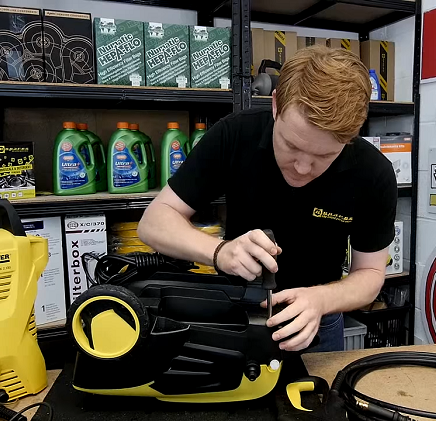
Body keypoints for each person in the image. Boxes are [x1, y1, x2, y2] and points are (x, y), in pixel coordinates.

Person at [138, 45, 397, 353]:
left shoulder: (374, 172)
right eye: (291, 145)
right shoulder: (234, 135)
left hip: (318, 318)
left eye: (324, 156)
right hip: (236, 312)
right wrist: (220, 251)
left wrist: (321, 300)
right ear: (276, 105)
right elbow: (154, 222)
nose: (302, 168)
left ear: (352, 135)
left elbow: (370, 274)